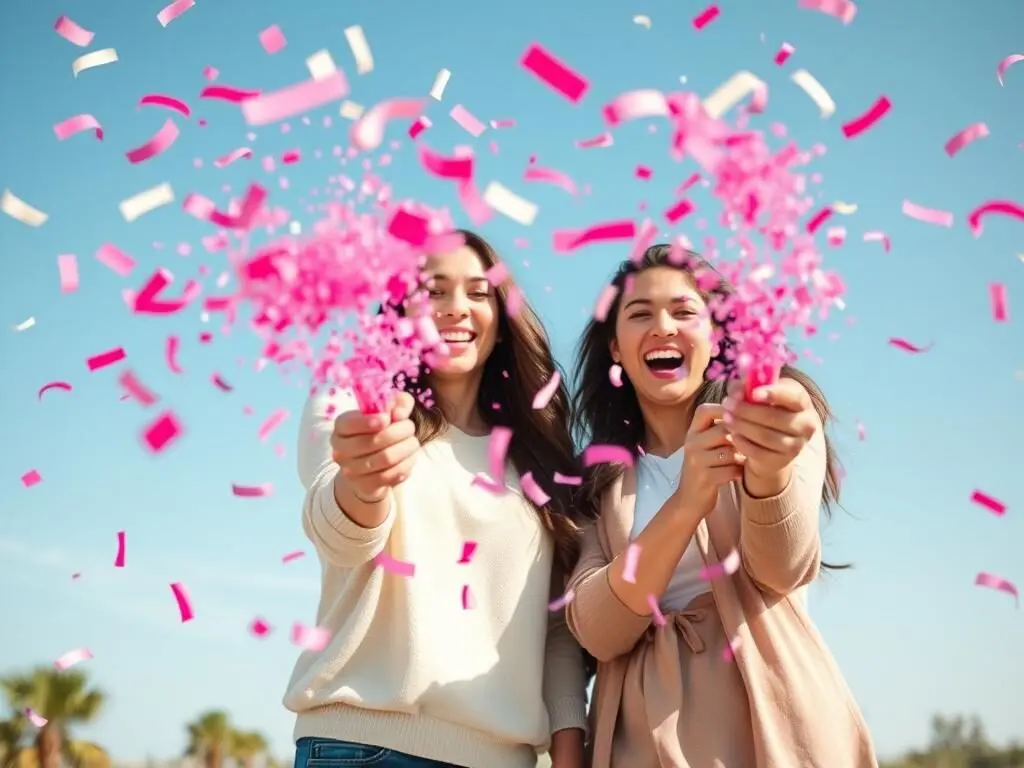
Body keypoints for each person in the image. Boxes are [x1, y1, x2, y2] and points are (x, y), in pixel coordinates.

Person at [284, 230, 589, 768]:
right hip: (363, 749)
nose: (456, 309)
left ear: (502, 318)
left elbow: (556, 626)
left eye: (478, 292)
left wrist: (569, 750)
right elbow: (339, 533)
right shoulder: (353, 404)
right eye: (434, 291)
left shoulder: (538, 458)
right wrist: (367, 480)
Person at [565, 244, 877, 767]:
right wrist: (687, 502)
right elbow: (598, 630)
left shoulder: (769, 420)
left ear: (716, 337)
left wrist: (770, 470)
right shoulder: (596, 481)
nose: (664, 327)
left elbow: (782, 569)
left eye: (686, 312)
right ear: (615, 347)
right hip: (643, 743)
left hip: (773, 725)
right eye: (640, 314)